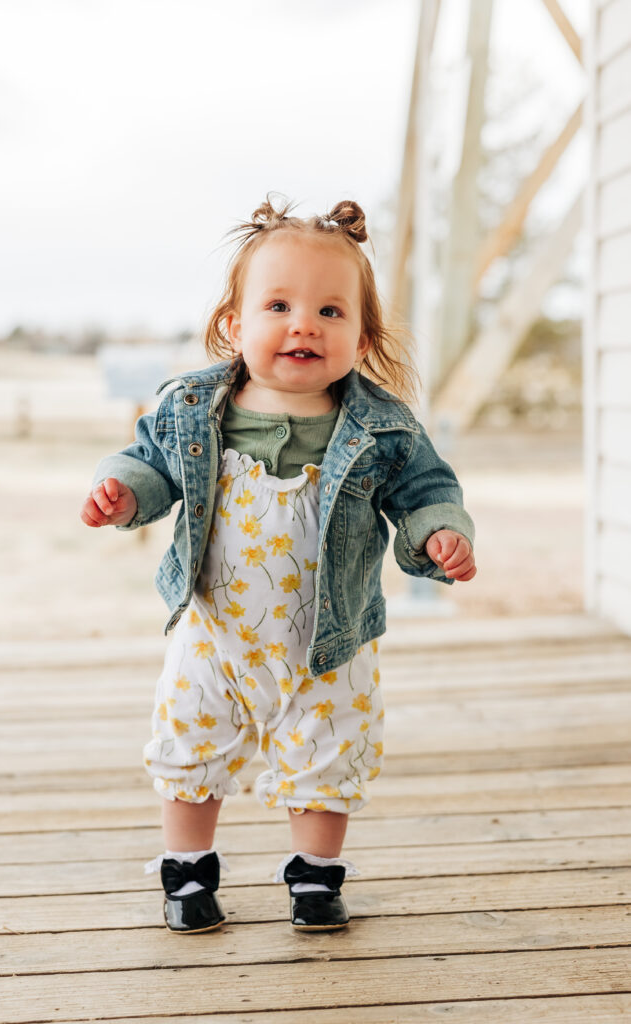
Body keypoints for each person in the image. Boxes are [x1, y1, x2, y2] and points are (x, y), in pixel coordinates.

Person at [80, 196, 477, 934]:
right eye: (278, 305)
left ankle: (315, 878)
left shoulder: (381, 427)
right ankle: (188, 871)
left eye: (330, 312)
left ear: (361, 340)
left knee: (327, 754)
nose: (304, 323)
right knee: (190, 743)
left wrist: (436, 535)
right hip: (213, 633)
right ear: (234, 326)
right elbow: (148, 465)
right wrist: (122, 494)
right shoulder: (193, 409)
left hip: (327, 642)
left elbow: (427, 491)